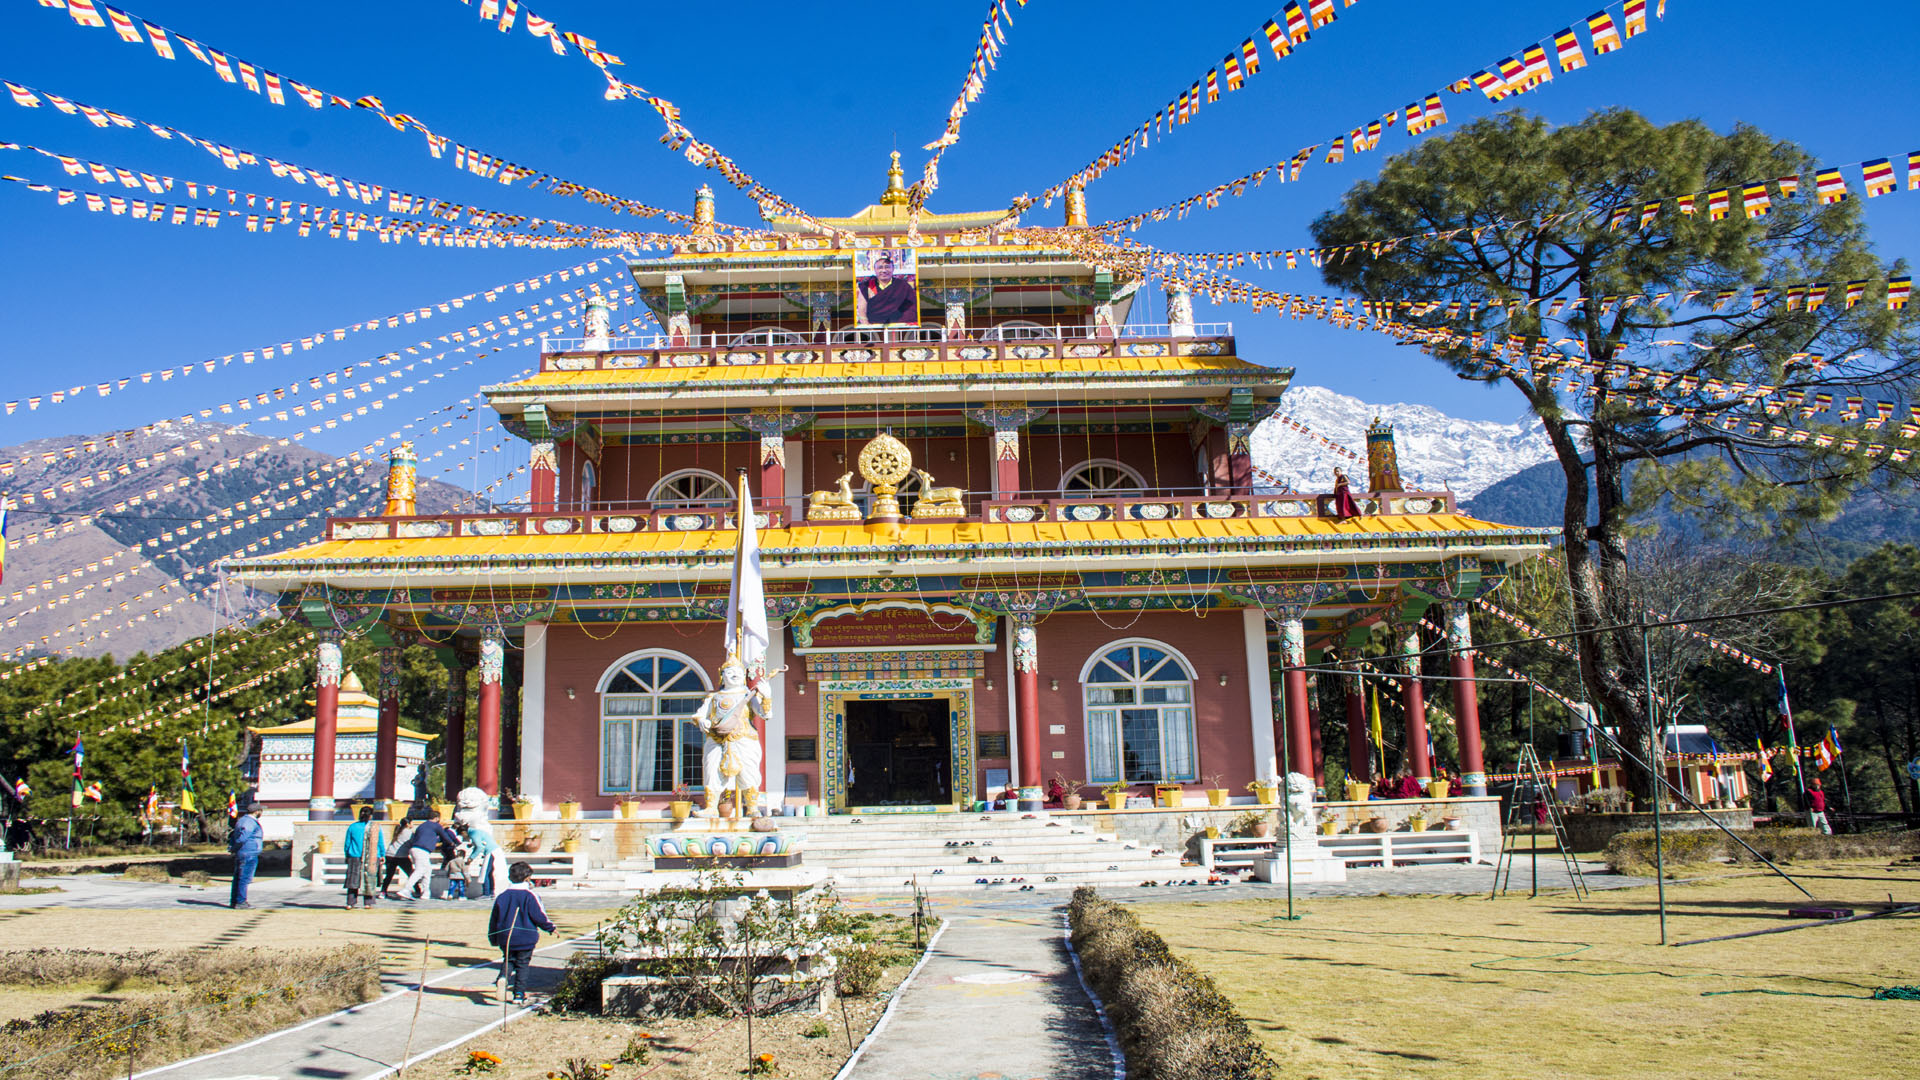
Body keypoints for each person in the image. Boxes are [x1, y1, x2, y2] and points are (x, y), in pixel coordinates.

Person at [487, 862, 556, 1006]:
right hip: (525, 937)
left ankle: (503, 977)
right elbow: (538, 915)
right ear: (527, 878)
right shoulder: (530, 896)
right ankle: (518, 994)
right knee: (522, 964)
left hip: (505, 936)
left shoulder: (502, 896)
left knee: (509, 959)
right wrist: (550, 928)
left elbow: (494, 919)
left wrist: (493, 937)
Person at [400, 808, 458, 900]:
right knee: (420, 870)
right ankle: (406, 889)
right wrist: (452, 843)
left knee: (427, 870)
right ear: (436, 818)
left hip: (415, 849)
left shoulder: (422, 826)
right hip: (422, 850)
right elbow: (444, 835)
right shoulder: (436, 825)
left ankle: (426, 892)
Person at [856, 252, 918, 325]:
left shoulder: (903, 285)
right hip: (874, 325)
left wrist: (903, 324)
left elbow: (911, 307)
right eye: (880, 268)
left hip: (899, 324)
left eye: (887, 267)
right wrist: (867, 326)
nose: (884, 271)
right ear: (875, 270)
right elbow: (862, 311)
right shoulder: (867, 286)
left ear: (893, 269)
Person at [342, 805, 385, 909]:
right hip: (372, 857)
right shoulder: (375, 827)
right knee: (370, 879)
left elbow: (347, 843)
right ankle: (368, 903)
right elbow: (380, 842)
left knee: (353, 879)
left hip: (355, 855)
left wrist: (347, 854)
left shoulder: (353, 827)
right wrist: (382, 854)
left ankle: (350, 903)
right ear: (371, 815)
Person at [227, 800, 263, 909]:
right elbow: (243, 837)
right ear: (257, 811)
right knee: (244, 879)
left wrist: (233, 848)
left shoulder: (242, 820)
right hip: (248, 853)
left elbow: (234, 836)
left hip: (243, 852)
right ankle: (241, 901)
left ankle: (235, 901)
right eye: (261, 811)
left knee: (238, 878)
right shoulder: (249, 822)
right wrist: (235, 847)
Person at [381, 816, 418, 898]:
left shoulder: (398, 831)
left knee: (389, 874)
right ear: (408, 824)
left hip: (390, 854)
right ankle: (418, 890)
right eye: (412, 822)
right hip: (401, 856)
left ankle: (383, 891)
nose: (413, 824)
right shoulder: (409, 833)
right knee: (411, 873)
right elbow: (414, 842)